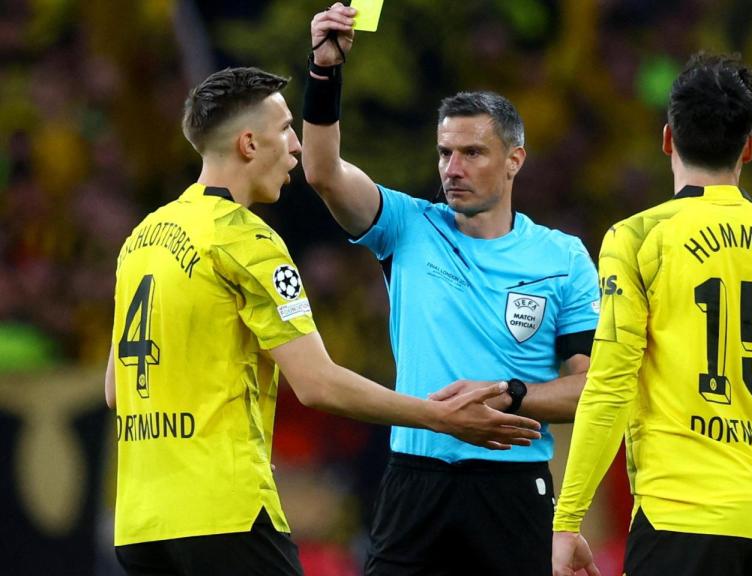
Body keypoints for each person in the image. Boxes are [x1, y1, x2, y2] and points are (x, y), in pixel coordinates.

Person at [104, 66, 542, 576]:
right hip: (224, 514)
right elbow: (316, 384)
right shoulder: (247, 240)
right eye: (286, 129)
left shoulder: (143, 237)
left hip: (140, 523)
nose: (294, 145)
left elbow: (118, 389)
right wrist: (438, 417)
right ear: (249, 143)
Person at [301, 6, 601, 575]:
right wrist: (324, 71)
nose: (452, 168)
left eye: (472, 153)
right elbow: (322, 171)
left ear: (514, 160)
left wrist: (509, 396)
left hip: (513, 485)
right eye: (445, 153)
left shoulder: (562, 257)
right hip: (418, 477)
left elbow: (588, 390)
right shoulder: (408, 226)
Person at [551, 52, 752, 576]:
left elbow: (611, 386)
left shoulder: (637, 238)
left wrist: (568, 518)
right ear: (751, 147)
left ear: (668, 138)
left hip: (680, 519)